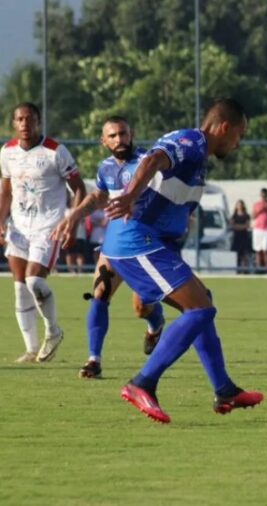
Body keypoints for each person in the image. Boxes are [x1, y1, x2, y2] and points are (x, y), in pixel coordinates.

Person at [62, 99, 263, 423]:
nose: (238, 143)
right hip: (136, 241)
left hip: (149, 243)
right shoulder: (191, 142)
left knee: (201, 304)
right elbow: (154, 158)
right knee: (200, 310)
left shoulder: (198, 153)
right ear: (224, 128)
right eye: (239, 135)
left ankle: (224, 389)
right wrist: (129, 195)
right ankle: (143, 383)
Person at [53, 116, 167, 379]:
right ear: (103, 141)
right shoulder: (105, 168)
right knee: (100, 292)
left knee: (141, 306)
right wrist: (73, 217)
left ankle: (155, 324)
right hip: (115, 242)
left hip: (145, 244)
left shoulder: (146, 162)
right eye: (113, 136)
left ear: (132, 134)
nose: (119, 140)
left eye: (123, 134)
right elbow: (100, 196)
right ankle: (93, 360)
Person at [0, 102, 86, 363]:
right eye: (20, 119)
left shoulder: (55, 151)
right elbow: (5, 191)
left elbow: (79, 189)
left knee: (34, 281)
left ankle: (53, 331)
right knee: (19, 288)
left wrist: (70, 221)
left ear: (38, 121)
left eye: (30, 119)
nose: (25, 124)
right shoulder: (7, 152)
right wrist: (1, 220)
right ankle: (30, 349)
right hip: (19, 227)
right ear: (14, 123)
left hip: (48, 227)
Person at [251, 188, 267, 268]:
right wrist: (261, 210)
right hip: (258, 229)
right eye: (262, 194)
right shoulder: (256, 204)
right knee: (258, 250)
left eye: (265, 194)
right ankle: (259, 269)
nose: (264, 196)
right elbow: (253, 216)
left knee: (266, 250)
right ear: (260, 195)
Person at [229, 199, 251, 272]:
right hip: (237, 237)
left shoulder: (246, 215)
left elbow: (247, 225)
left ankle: (245, 270)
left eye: (241, 204)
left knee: (244, 254)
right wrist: (241, 227)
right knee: (237, 254)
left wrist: (239, 227)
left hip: (244, 236)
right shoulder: (234, 216)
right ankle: (237, 269)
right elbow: (232, 225)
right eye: (238, 205)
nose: (240, 206)